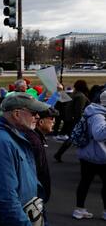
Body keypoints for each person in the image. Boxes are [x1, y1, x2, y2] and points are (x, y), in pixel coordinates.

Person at [0, 92, 50, 226]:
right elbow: (5, 197)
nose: (37, 116)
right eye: (33, 112)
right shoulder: (1, 142)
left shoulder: (13, 135)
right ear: (17, 114)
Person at [72, 91, 106, 220]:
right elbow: (99, 134)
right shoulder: (99, 116)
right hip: (99, 156)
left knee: (85, 182)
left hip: (87, 153)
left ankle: (79, 209)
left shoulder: (92, 111)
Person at [22, 107, 59, 225]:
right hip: (33, 197)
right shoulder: (34, 141)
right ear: (41, 122)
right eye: (52, 119)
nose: (54, 122)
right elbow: (33, 172)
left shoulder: (36, 137)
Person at [54, 80, 90, 162]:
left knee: (71, 138)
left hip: (72, 120)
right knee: (76, 138)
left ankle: (59, 154)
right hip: (78, 121)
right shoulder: (80, 96)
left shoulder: (75, 95)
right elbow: (79, 111)